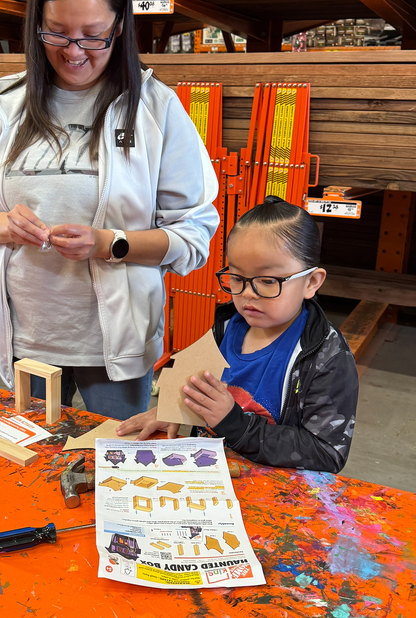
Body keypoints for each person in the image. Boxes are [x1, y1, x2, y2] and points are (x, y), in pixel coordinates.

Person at [0, 0, 219, 420]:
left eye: (93, 35)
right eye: (57, 33)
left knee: (117, 469)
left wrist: (110, 243)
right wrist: (6, 226)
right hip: (24, 338)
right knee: (35, 469)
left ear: (120, 27)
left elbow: (193, 234)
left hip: (115, 346)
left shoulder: (155, 110)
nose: (74, 52)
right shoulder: (2, 105)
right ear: (36, 24)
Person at [117, 197, 359, 472]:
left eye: (268, 281)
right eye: (236, 278)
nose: (246, 294)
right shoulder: (228, 325)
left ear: (311, 282)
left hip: (274, 494)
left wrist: (234, 424)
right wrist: (173, 411)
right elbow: (198, 390)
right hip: (209, 477)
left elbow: (326, 453)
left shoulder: (327, 357)